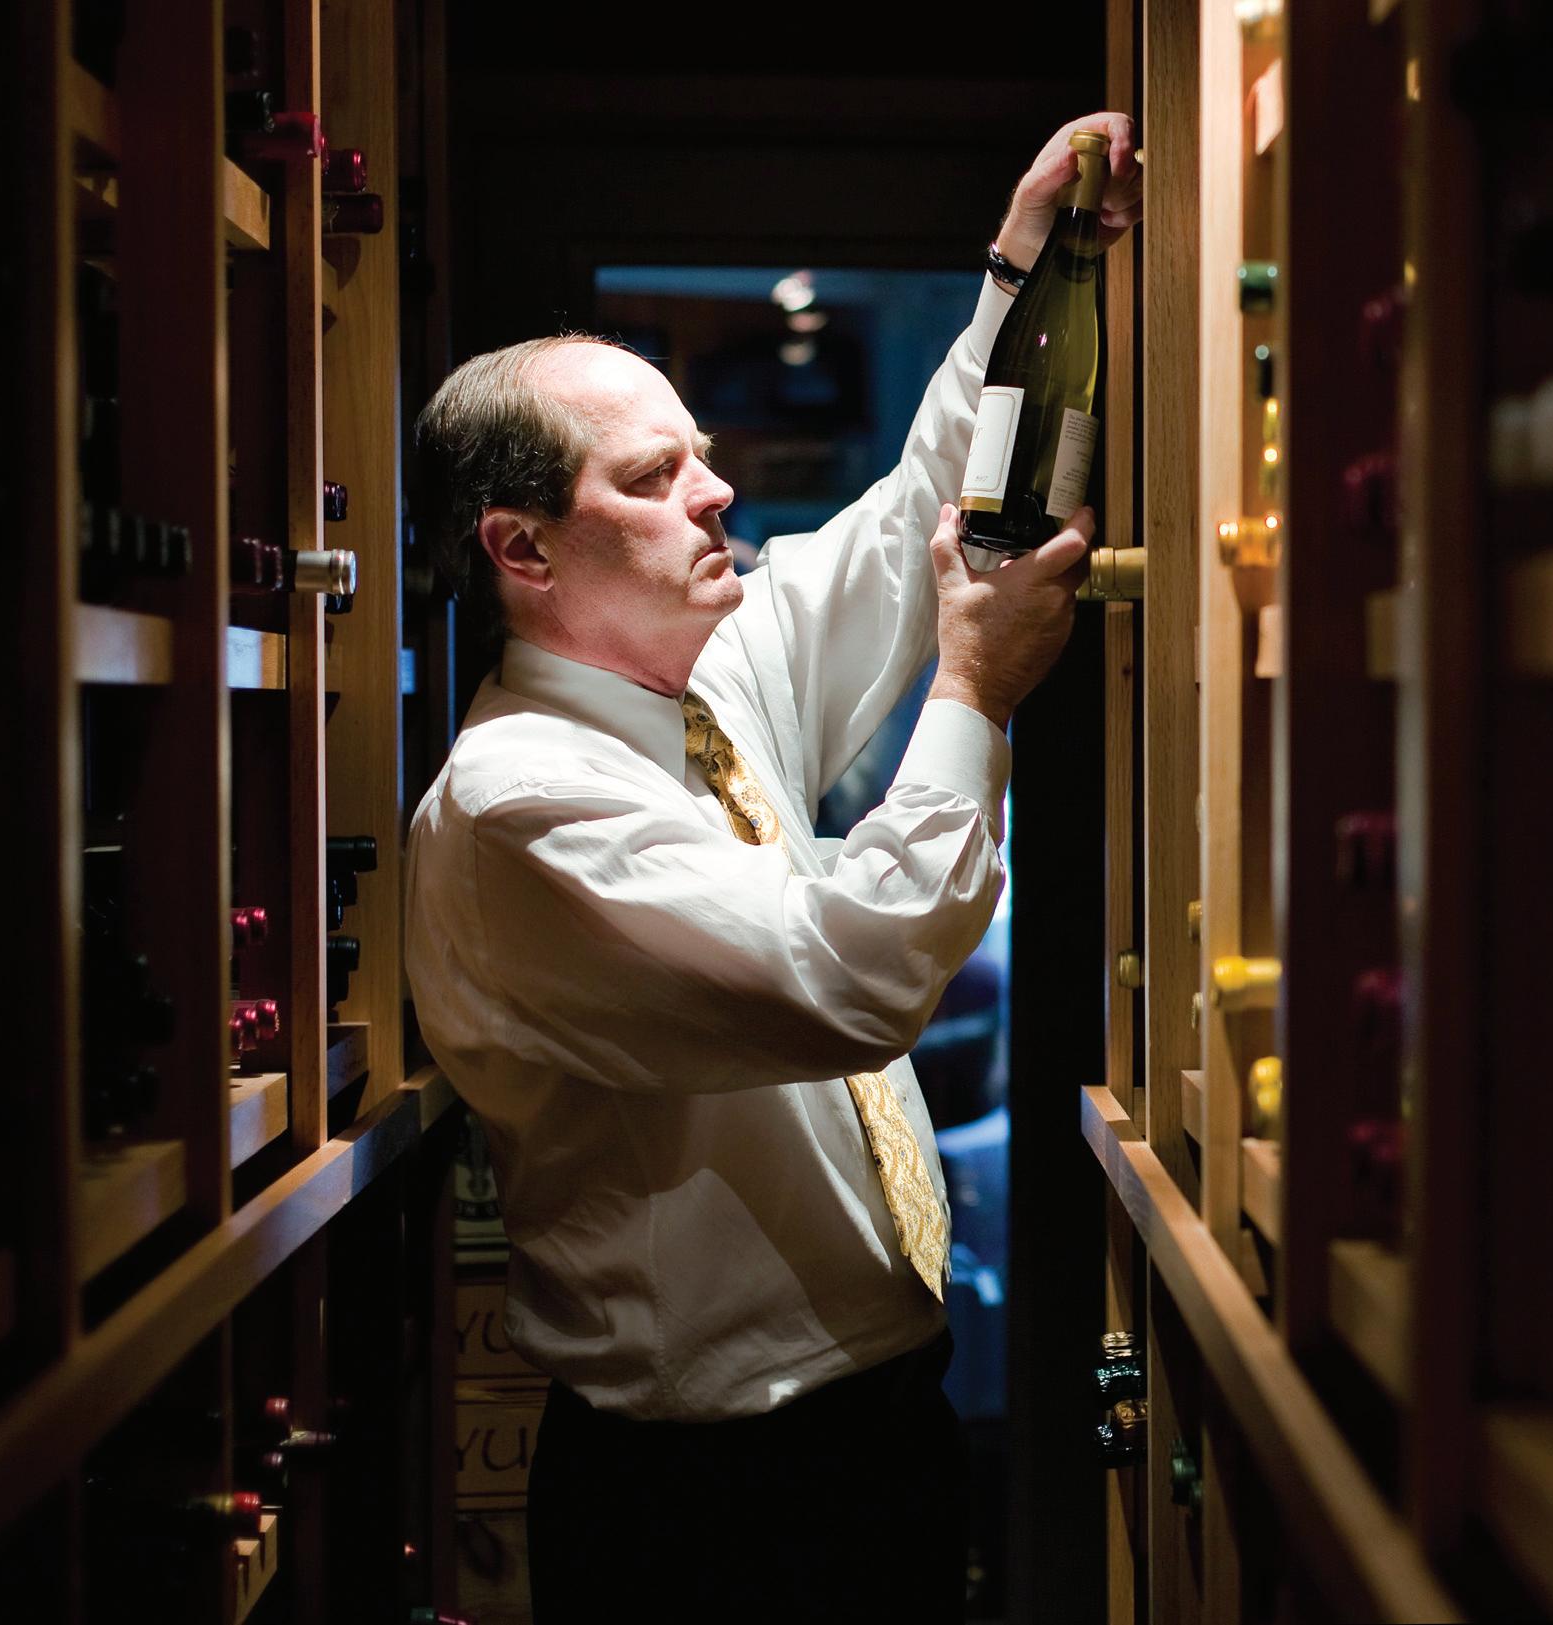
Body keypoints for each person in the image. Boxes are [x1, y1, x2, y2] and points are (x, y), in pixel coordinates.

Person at [402, 115, 1142, 1622]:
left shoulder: (706, 670)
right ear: (521, 550)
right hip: (707, 1502)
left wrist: (1017, 271)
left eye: (704, 454)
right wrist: (975, 690)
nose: (716, 492)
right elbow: (854, 979)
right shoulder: (519, 804)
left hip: (878, 1425)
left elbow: (908, 520)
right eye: (654, 473)